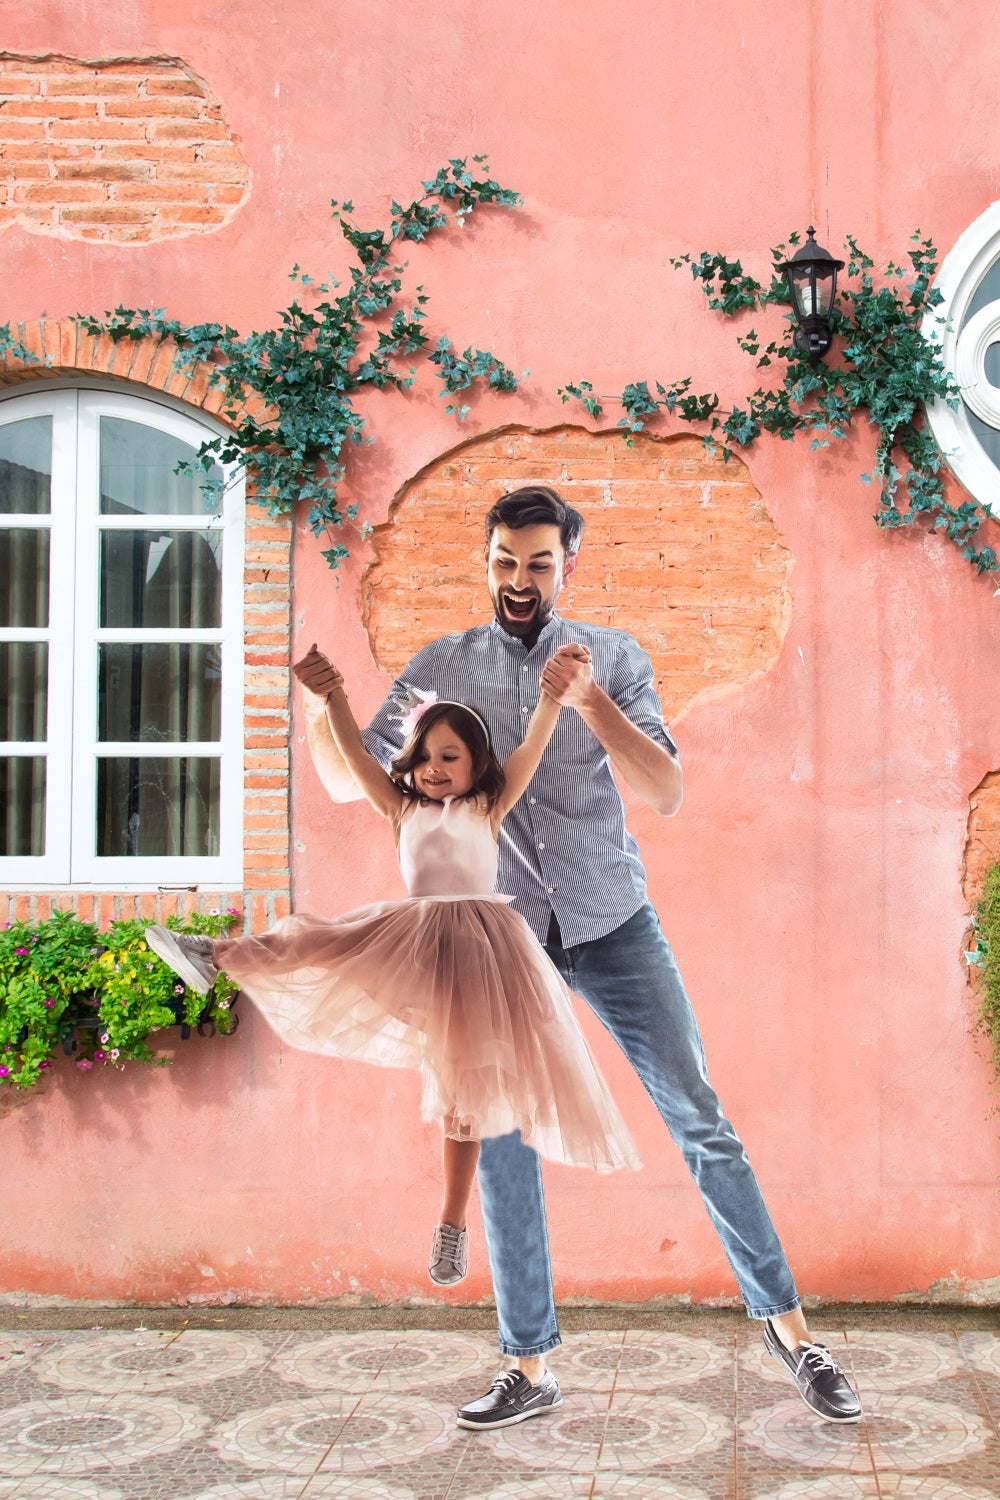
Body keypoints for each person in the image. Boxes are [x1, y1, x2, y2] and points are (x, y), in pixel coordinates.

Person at [293, 483, 863, 1432]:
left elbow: (667, 790)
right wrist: (323, 712)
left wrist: (587, 696)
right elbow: (349, 778)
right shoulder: (442, 668)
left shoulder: (618, 656)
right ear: (488, 561)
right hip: (506, 944)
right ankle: (528, 1362)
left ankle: (795, 1335)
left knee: (700, 1118)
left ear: (567, 566)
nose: (520, 580)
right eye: (505, 561)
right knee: (507, 1147)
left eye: (539, 563)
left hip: (612, 922)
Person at [145, 652, 639, 1289]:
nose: (435, 768)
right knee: (321, 943)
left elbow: (534, 747)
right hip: (415, 937)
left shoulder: (489, 806)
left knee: (464, 1100)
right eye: (427, 755)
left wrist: (552, 696)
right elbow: (354, 752)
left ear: (477, 764)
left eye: (451, 756)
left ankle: (451, 1226)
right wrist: (334, 695)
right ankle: (213, 956)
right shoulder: (401, 809)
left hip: (482, 954)